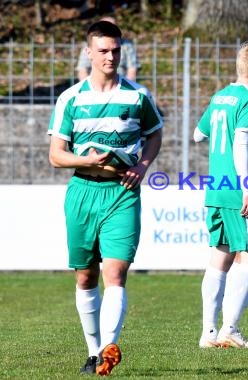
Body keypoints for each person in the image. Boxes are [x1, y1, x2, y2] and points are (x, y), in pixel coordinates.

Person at [48, 20, 163, 375]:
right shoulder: (71, 98)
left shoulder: (137, 95)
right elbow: (56, 155)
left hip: (122, 192)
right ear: (89, 53)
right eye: (103, 51)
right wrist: (87, 160)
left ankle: (106, 354)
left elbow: (155, 134)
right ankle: (93, 349)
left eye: (115, 50)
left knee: (115, 273)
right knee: (85, 277)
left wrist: (142, 166)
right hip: (83, 189)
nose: (110, 56)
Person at [193, 42, 248, 349]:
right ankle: (230, 328)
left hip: (215, 186)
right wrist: (247, 188)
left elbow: (198, 134)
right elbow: (240, 144)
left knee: (220, 256)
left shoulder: (220, 96)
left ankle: (208, 331)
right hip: (237, 187)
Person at [76, 16, 139, 81]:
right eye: (103, 51)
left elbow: (132, 69)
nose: (111, 57)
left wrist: (126, 88)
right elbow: (82, 69)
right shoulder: (90, 45)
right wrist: (88, 88)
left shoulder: (127, 46)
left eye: (116, 51)